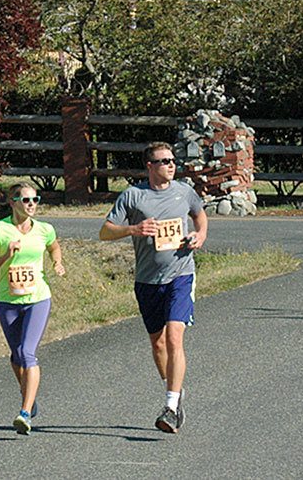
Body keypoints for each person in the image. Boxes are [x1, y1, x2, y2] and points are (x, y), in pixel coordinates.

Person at [99, 142, 207, 434]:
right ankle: (174, 389)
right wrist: (132, 229)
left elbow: (200, 216)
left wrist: (200, 236)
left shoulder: (184, 191)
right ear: (149, 166)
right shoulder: (133, 196)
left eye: (172, 160)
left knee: (174, 336)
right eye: (164, 161)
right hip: (147, 280)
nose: (170, 165)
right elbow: (105, 231)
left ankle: (171, 407)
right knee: (158, 343)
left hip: (181, 274)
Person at [0, 182, 65, 435]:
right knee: (16, 356)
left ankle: (25, 412)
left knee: (28, 353)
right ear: (13, 203)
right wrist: (6, 255)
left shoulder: (44, 229)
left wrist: (57, 263)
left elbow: (54, 246)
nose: (32, 205)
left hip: (38, 298)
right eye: (26, 200)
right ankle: (29, 393)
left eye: (35, 200)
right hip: (9, 301)